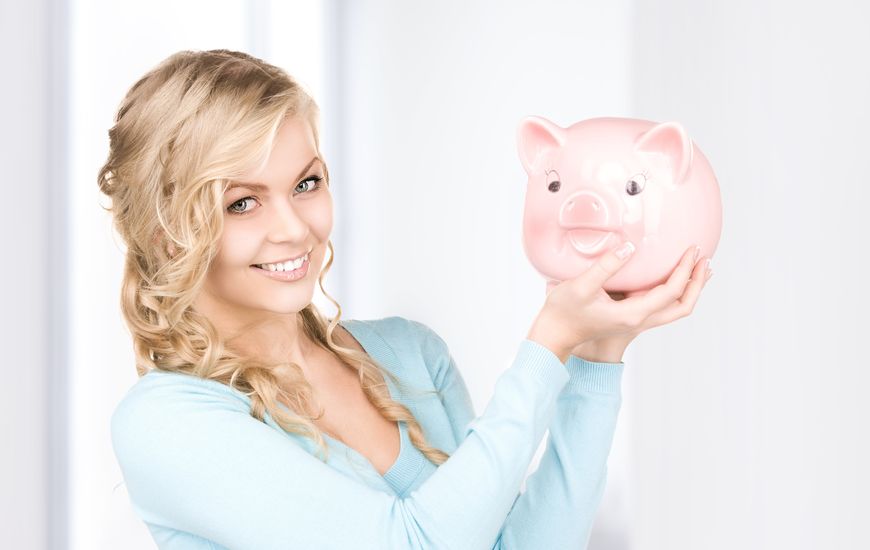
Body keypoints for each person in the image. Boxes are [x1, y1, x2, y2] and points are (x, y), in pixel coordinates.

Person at [104, 49, 712, 550]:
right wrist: (547, 343)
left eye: (306, 183)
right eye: (242, 202)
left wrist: (596, 355)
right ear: (169, 230)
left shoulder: (410, 355)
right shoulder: (167, 424)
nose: (293, 228)